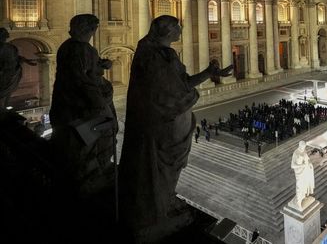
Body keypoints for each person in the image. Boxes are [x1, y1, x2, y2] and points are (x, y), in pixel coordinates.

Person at [119, 15, 232, 236]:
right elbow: (175, 92)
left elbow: (181, 84)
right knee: (164, 167)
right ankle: (159, 209)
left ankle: (164, 202)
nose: (181, 30)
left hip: (157, 122)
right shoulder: (161, 57)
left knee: (165, 169)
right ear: (167, 32)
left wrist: (209, 73)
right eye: (178, 27)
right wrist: (191, 94)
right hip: (163, 124)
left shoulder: (150, 52)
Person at [49, 14, 117, 199]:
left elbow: (88, 71)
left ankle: (92, 168)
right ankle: (92, 173)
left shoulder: (68, 46)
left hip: (69, 100)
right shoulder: (81, 49)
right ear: (88, 29)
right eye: (93, 28)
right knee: (98, 135)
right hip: (84, 103)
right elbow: (80, 79)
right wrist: (98, 103)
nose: (95, 31)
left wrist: (102, 65)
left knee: (85, 138)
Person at [0, 27, 37, 111]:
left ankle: (3, 109)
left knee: (7, 93)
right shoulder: (9, 48)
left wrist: (27, 61)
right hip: (3, 74)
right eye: (2, 36)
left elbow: (16, 58)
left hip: (12, 74)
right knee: (3, 93)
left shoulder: (11, 47)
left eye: (4, 37)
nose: (3, 38)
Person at [290, 140, 315, 210]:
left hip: (305, 171)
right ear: (299, 146)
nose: (303, 149)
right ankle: (298, 202)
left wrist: (309, 163)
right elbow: (292, 165)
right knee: (299, 186)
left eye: (304, 147)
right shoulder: (296, 153)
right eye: (302, 147)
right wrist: (302, 165)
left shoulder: (304, 151)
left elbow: (308, 159)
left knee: (305, 184)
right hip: (299, 173)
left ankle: (303, 196)